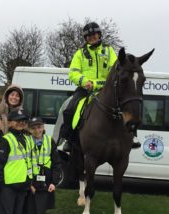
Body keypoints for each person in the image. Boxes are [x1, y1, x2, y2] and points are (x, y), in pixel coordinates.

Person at [58, 22, 143, 151]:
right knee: (70, 109)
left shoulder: (109, 51)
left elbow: (114, 70)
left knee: (128, 102)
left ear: (99, 35)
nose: (92, 37)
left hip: (106, 88)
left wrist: (99, 83)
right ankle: (67, 139)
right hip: (85, 88)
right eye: (89, 36)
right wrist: (84, 81)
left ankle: (133, 135)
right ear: (85, 38)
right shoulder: (80, 53)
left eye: (94, 34)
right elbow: (73, 73)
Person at [0, 109, 32, 214]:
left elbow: (28, 161)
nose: (21, 123)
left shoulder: (26, 139)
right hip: (9, 187)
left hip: (22, 186)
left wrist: (29, 180)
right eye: (18, 121)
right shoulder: (6, 140)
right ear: (10, 123)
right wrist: (2, 184)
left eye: (23, 121)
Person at [24, 117, 61, 214]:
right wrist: (29, 184)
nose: (37, 130)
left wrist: (54, 182)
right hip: (30, 180)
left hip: (45, 181)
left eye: (39, 127)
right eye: (33, 128)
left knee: (37, 211)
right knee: (32, 210)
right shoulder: (26, 142)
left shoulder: (50, 141)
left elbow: (56, 163)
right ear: (29, 129)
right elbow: (23, 164)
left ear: (43, 127)